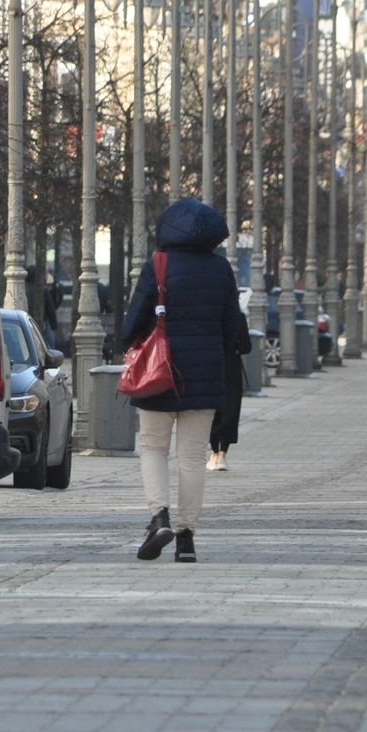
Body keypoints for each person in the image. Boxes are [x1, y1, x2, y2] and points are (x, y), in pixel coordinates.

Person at [120, 197, 248, 563]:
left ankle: (159, 516)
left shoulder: (157, 265)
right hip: (205, 377)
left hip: (158, 375)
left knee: (154, 448)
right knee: (192, 458)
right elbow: (233, 329)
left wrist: (128, 341)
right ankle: (186, 538)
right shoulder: (220, 270)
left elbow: (133, 322)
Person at [206, 348, 244, 472]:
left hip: (211, 364)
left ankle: (214, 452)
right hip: (231, 364)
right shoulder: (236, 326)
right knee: (230, 407)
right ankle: (223, 453)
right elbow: (246, 346)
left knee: (212, 407)